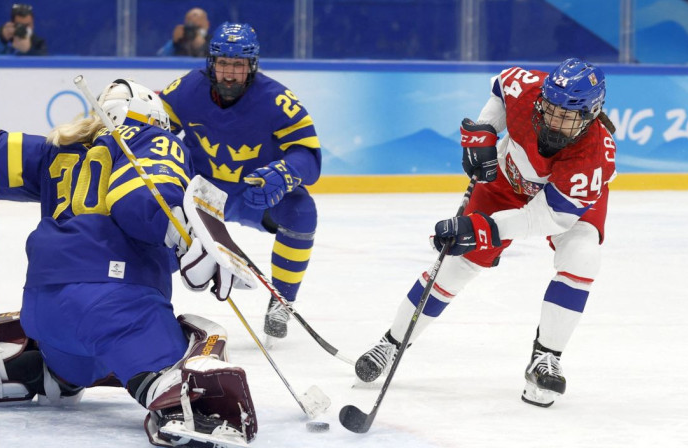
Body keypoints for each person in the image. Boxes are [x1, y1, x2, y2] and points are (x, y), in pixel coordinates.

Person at [0, 74, 257, 446]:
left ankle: (44, 371)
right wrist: (184, 236)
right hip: (117, 305)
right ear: (152, 117)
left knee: (80, 355)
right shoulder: (153, 138)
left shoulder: (56, 148)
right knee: (198, 338)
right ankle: (180, 401)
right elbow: (140, 200)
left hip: (43, 308)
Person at [354, 58, 617, 408]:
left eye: (566, 117)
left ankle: (546, 357)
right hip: (505, 183)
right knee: (456, 264)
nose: (554, 120)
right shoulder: (527, 88)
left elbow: (546, 218)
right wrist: (484, 132)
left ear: (591, 114)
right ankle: (392, 342)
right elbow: (499, 89)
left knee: (583, 257)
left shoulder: (594, 158)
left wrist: (482, 228)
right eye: (550, 109)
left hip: (561, 205)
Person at [158, 22, 322, 342]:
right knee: (156, 223)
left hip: (253, 196)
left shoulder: (277, 100)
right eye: (223, 63)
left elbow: (309, 156)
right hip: (201, 195)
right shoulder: (186, 89)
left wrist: (285, 174)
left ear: (252, 66)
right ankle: (143, 299)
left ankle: (282, 301)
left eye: (238, 65)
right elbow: (156, 127)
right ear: (211, 64)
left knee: (302, 211)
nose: (229, 73)